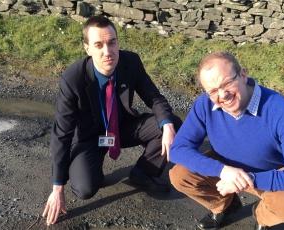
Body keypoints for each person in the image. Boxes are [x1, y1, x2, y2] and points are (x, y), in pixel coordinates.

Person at [42, 15, 182, 226]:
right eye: (98, 45)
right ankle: (91, 171)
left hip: (122, 127)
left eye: (112, 42)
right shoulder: (72, 79)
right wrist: (57, 186)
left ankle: (143, 172)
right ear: (87, 48)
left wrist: (168, 125)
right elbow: (61, 133)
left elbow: (155, 98)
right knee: (85, 189)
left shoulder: (131, 62)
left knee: (172, 123)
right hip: (89, 138)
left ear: (118, 42)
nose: (107, 52)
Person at [169, 52, 284, 230]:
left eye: (227, 83)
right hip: (226, 170)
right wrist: (222, 170)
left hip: (268, 173)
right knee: (180, 176)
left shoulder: (279, 109)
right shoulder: (204, 104)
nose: (223, 95)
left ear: (243, 75)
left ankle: (262, 217)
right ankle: (225, 206)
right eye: (213, 91)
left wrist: (248, 179)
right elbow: (178, 149)